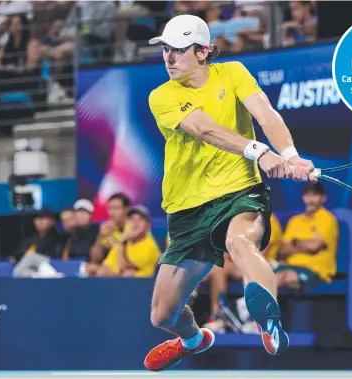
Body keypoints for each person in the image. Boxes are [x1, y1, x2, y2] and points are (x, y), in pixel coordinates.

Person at [143, 14, 316, 371]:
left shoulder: (234, 73)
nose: (169, 58)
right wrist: (259, 151)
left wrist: (290, 155)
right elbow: (205, 129)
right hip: (188, 208)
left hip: (239, 190)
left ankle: (268, 322)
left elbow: (265, 114)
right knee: (162, 314)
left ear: (204, 51)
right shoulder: (161, 96)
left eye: (178, 50)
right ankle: (194, 339)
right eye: (165, 49)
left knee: (241, 243)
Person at [275, 181, 338, 291]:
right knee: (261, 274)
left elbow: (314, 246)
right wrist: (304, 245)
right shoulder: (295, 221)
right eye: (307, 195)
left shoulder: (328, 219)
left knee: (283, 276)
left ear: (323, 198)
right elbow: (283, 249)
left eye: (315, 195)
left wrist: (294, 243)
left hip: (314, 271)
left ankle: (247, 304)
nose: (310, 199)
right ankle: (247, 304)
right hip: (289, 266)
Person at [95, 205, 161, 278]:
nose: (135, 223)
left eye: (140, 220)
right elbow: (104, 268)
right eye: (132, 220)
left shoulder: (150, 246)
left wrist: (122, 242)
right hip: (116, 285)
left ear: (148, 225)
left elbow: (125, 268)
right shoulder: (122, 244)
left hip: (140, 286)